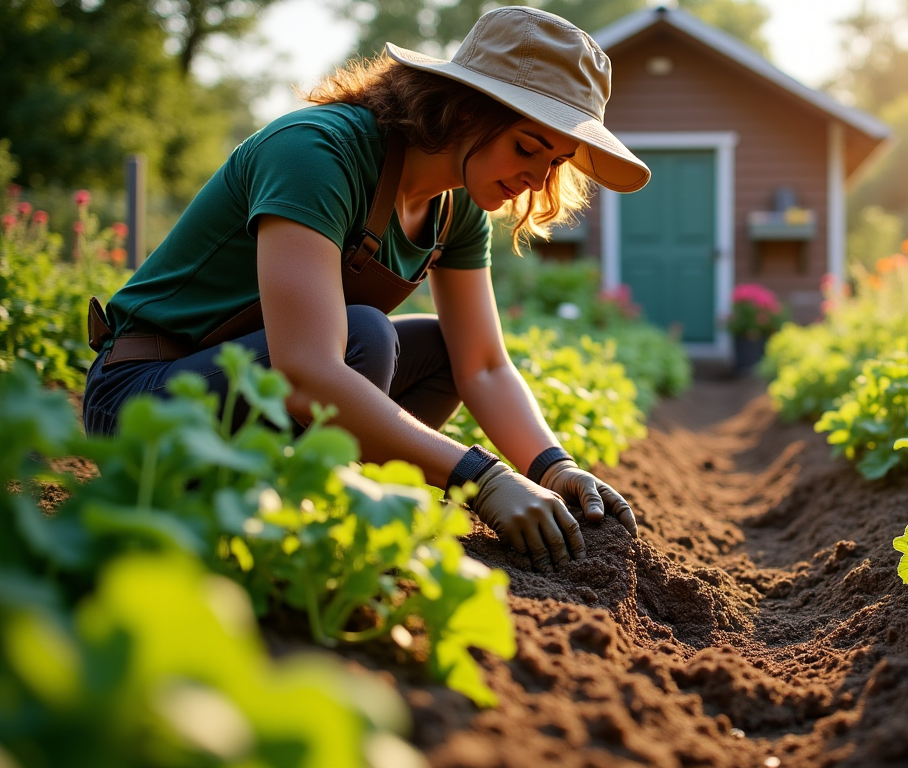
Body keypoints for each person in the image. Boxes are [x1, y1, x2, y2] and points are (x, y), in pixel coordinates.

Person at [82, 7, 651, 573]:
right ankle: (303, 505)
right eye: (528, 148)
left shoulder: (455, 211)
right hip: (142, 403)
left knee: (440, 351)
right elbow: (306, 369)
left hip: (248, 400)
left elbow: (483, 366)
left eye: (554, 162)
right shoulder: (317, 153)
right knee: (366, 337)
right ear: (465, 108)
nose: (537, 179)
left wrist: (552, 466)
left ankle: (315, 499)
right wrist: (481, 476)